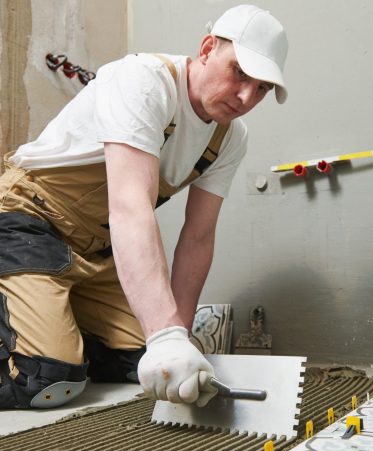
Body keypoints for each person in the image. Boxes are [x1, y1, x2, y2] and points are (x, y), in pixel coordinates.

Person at [0, 4, 288, 409]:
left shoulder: (230, 138)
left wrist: (179, 341)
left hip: (94, 253)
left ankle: (50, 318)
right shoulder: (144, 81)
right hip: (26, 222)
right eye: (239, 73)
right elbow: (130, 208)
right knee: (48, 379)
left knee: (143, 362)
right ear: (207, 49)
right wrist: (164, 333)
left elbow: (198, 237)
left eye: (261, 88)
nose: (245, 97)